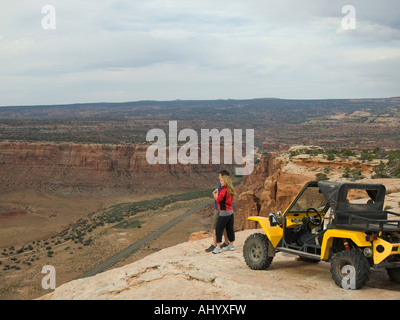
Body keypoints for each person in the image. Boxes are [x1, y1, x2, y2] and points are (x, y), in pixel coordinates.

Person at [205, 170, 230, 252]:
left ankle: (214, 244)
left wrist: (214, 195)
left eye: (220, 176)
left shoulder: (223, 185)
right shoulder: (225, 184)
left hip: (219, 208)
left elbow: (219, 198)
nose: (219, 177)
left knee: (215, 227)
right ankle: (226, 242)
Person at [212, 174, 235, 254]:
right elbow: (229, 201)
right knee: (230, 229)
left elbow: (218, 200)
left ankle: (218, 247)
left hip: (224, 213)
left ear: (225, 181)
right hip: (231, 212)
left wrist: (215, 195)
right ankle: (231, 245)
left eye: (221, 180)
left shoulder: (223, 190)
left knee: (219, 229)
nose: (220, 182)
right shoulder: (230, 189)